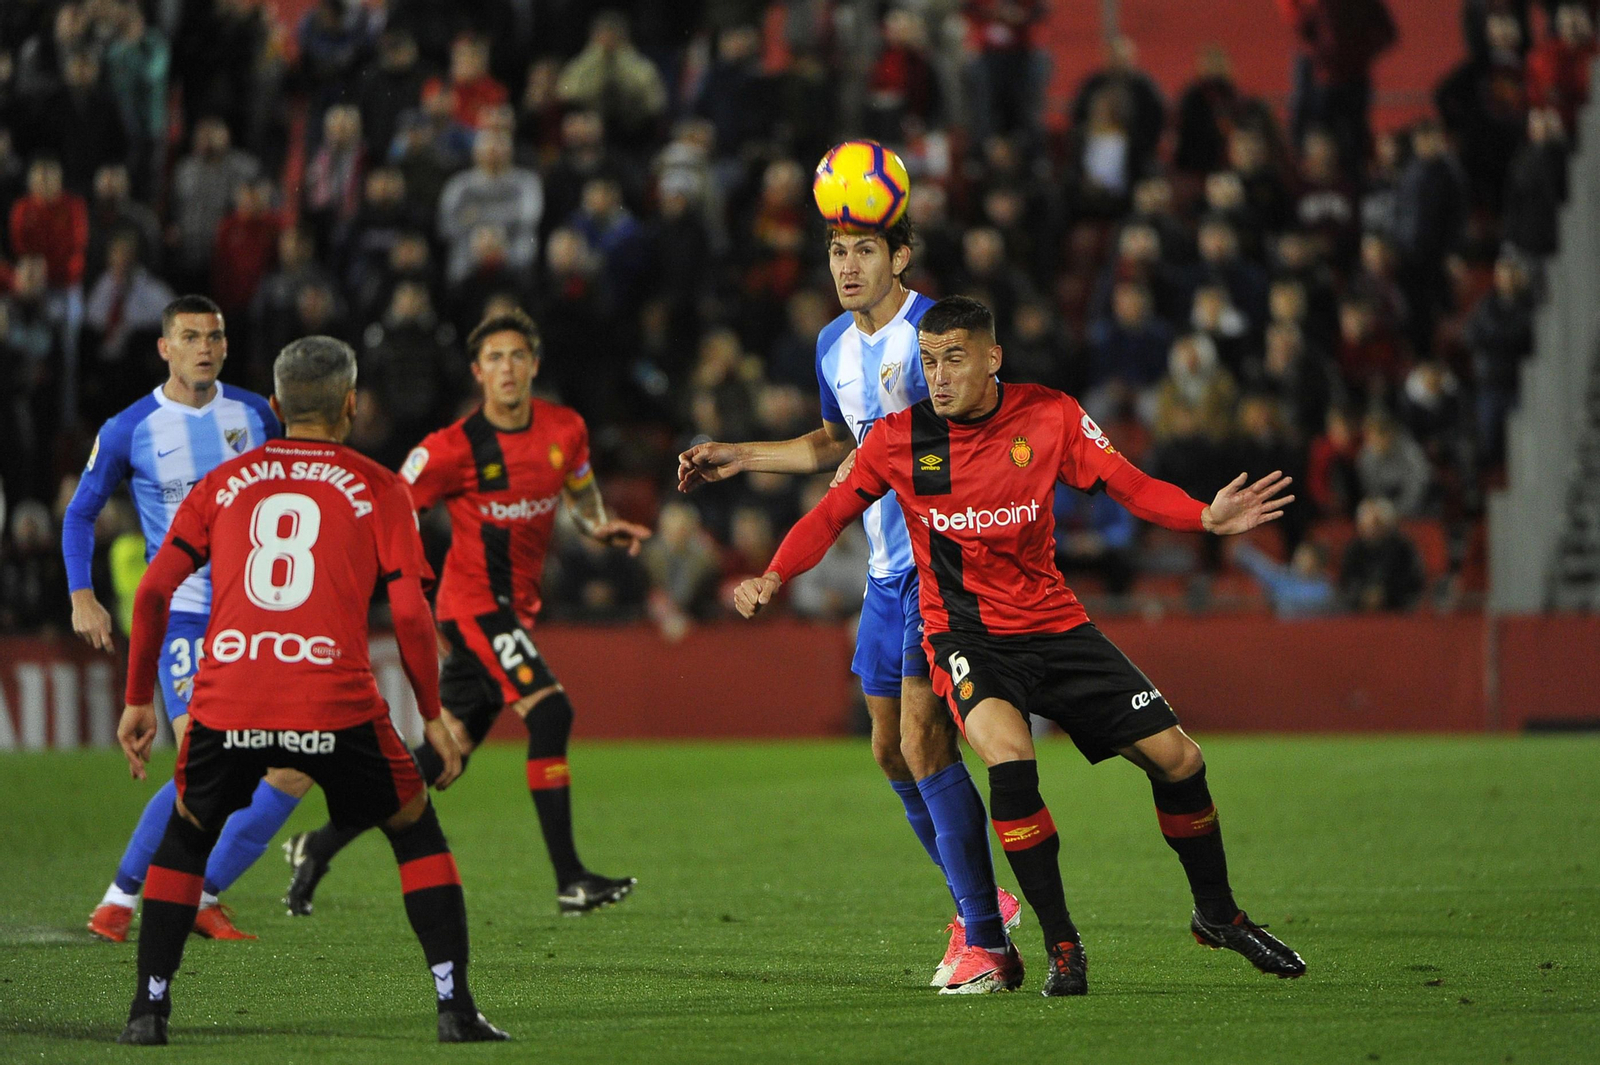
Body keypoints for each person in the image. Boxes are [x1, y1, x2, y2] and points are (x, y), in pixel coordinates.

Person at [735, 296, 1305, 995]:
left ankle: (1218, 914)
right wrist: (772, 575)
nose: (938, 376)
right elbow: (827, 516)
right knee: (1010, 758)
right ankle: (1062, 945)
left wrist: (1202, 515)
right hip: (968, 637)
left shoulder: (1051, 415)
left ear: (992, 358)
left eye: (954, 358)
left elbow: (1128, 483)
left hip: (1057, 625)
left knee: (1180, 759)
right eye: (929, 360)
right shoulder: (894, 439)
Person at [112, 336, 507, 1046]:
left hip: (230, 696)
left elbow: (153, 591)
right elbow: (413, 612)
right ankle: (454, 1007)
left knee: (186, 833)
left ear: (273, 406)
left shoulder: (221, 484)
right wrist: (432, 715)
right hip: (336, 701)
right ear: (351, 405)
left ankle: (148, 1010)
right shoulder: (382, 487)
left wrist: (140, 696)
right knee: (413, 827)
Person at [678, 221, 1021, 994]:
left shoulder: (934, 334)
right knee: (887, 747)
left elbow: (972, 435)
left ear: (901, 256)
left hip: (944, 568)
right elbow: (840, 441)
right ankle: (985, 899)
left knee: (923, 738)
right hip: (883, 569)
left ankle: (983, 934)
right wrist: (743, 455)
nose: (848, 265)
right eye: (837, 251)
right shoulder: (834, 342)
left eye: (866, 249)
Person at [284, 310, 648, 915]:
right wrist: (373, 587)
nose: (507, 369)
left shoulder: (567, 429)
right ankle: (571, 879)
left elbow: (581, 492)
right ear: (478, 373)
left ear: (533, 365)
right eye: (495, 359)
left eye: (517, 356)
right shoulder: (450, 448)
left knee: (437, 756)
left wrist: (598, 527)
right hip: (471, 608)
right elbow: (389, 509)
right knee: (552, 714)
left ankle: (316, 846)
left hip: (513, 610)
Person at [64, 295, 311, 944]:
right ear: (165, 348)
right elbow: (80, 511)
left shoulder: (257, 414)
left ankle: (202, 892)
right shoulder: (130, 427)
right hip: (186, 619)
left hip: (260, 621)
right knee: (204, 761)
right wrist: (80, 594)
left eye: (215, 336)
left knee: (295, 764)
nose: (205, 346)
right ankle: (118, 900)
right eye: (191, 336)